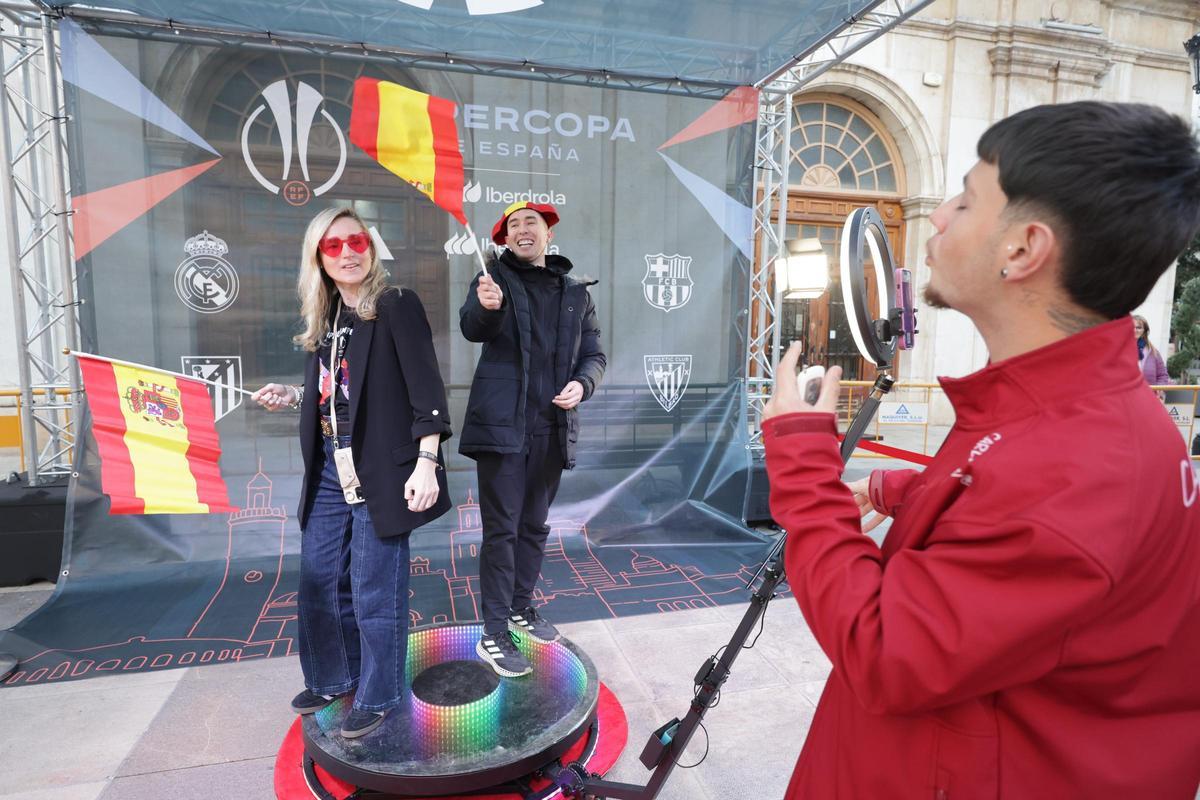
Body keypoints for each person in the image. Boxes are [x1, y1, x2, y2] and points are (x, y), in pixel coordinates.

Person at [762, 102, 1200, 798]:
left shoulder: (1081, 465)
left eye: (965, 200)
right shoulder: (1074, 421)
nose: (938, 217)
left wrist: (804, 467)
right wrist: (897, 491)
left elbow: (887, 654)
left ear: (1023, 250)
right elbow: (1008, 515)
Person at [252, 207, 452, 739]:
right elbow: (342, 390)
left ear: (371, 246)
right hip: (329, 467)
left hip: (382, 469)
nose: (348, 253)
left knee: (373, 588)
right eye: (334, 245)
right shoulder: (330, 317)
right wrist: (294, 394)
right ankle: (333, 677)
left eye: (357, 241)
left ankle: (378, 693)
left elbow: (425, 388)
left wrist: (427, 462)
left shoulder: (395, 303)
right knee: (319, 578)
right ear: (318, 258)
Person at [458, 201, 606, 678]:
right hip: (502, 429)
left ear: (548, 234)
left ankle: (520, 608)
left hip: (552, 428)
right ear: (504, 238)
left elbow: (594, 354)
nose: (523, 230)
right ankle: (493, 632)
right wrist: (486, 307)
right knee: (502, 530)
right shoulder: (493, 280)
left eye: (532, 223)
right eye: (514, 225)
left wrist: (582, 384)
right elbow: (472, 326)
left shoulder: (575, 292)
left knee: (534, 526)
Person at [1133, 314, 1171, 385]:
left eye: (1139, 327)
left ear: (1144, 331)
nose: (1135, 330)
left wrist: (1158, 389)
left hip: (1147, 391)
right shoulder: (1118, 350)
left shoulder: (1153, 351)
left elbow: (1162, 375)